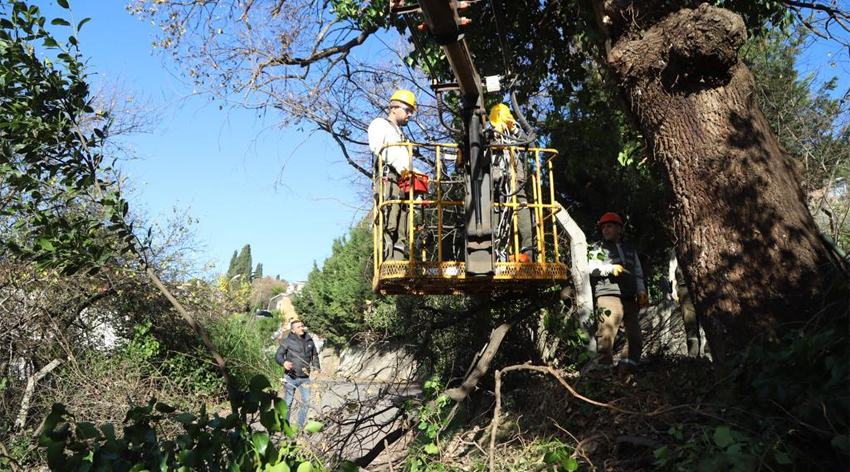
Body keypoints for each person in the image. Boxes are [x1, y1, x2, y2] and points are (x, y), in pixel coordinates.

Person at [588, 212, 647, 372]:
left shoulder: (630, 249)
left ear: (619, 229)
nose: (605, 230)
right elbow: (591, 268)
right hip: (608, 296)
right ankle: (603, 374)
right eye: (603, 227)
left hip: (629, 298)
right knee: (605, 337)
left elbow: (638, 272)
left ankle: (626, 372)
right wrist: (610, 268)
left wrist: (641, 291)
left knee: (635, 338)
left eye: (609, 226)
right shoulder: (598, 247)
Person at [369, 89, 418, 261]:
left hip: (402, 180)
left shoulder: (402, 135)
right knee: (389, 220)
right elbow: (377, 147)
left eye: (411, 112)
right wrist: (400, 166)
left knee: (403, 224)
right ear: (394, 108)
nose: (410, 115)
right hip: (388, 177)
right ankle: (387, 262)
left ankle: (398, 262)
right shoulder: (380, 124)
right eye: (408, 110)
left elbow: (404, 159)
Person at [488, 103, 534, 263]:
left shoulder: (514, 137)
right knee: (496, 222)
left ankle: (528, 255)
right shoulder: (488, 137)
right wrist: (494, 135)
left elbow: (531, 145)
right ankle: (495, 255)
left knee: (524, 220)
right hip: (497, 187)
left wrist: (514, 129)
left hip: (516, 184)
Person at [275, 319, 320, 429]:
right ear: (293, 330)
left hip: (305, 378)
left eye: (302, 326)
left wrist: (316, 368)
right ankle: (286, 427)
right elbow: (278, 356)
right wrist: (284, 362)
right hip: (291, 377)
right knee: (287, 404)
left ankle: (299, 427)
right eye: (298, 327)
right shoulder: (287, 342)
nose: (301, 328)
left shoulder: (309, 340)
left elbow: (314, 355)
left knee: (306, 403)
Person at [668, 249, 701, 357]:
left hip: (702, 286)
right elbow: (672, 268)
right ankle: (693, 356)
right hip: (684, 288)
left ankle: (708, 355)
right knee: (690, 323)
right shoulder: (677, 249)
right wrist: (673, 288)